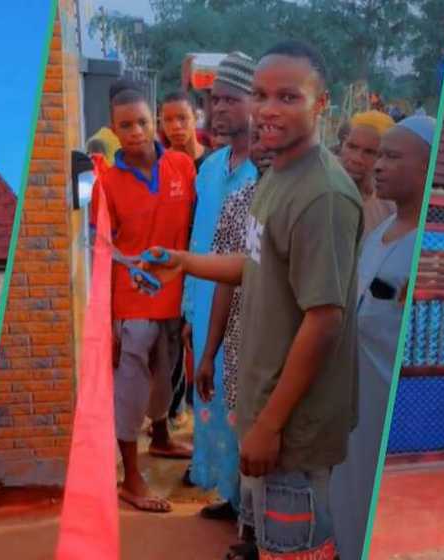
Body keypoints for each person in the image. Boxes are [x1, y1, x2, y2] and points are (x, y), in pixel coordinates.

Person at [140, 40, 361, 560]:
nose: (268, 109)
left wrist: (268, 426)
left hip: (293, 427)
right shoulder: (277, 175)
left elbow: (324, 321)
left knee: (297, 549)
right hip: (264, 405)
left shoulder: (323, 195)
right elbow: (253, 264)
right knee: (271, 542)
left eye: (289, 97)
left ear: (321, 103)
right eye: (261, 95)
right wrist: (183, 260)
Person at [330, 116, 434, 560]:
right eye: (378, 155)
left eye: (392, 156)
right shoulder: (377, 235)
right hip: (354, 409)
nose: (378, 166)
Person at [91, 79, 196, 513]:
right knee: (130, 387)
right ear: (114, 130)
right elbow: (102, 249)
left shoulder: (182, 169)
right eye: (125, 126)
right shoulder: (108, 183)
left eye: (141, 122)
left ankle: (162, 436)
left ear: (154, 121)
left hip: (175, 295)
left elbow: (191, 228)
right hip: (132, 302)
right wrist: (107, 319)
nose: (136, 132)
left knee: (166, 374)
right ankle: (131, 478)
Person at [182, 51, 258, 522]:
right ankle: (230, 496)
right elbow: (196, 239)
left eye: (231, 99)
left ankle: (250, 506)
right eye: (214, 100)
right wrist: (189, 308)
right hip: (207, 302)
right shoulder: (209, 169)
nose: (219, 109)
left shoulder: (265, 174)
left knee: (243, 407)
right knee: (211, 403)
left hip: (248, 310)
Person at [340, 110, 397, 235]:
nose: (356, 159)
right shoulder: (318, 192)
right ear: (343, 144)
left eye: (369, 152)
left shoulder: (391, 210)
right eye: (352, 146)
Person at [160, 91, 208, 169]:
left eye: (182, 118)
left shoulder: (216, 161)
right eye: (168, 120)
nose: (176, 126)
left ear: (195, 118)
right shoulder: (158, 165)